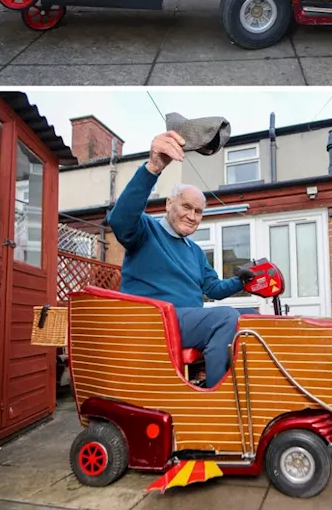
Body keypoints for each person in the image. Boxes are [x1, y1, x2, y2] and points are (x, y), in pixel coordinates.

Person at [107, 130, 253, 386]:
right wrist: (152, 168)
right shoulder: (144, 231)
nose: (193, 216)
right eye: (186, 207)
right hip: (153, 322)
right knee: (226, 318)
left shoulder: (194, 251)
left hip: (184, 323)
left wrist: (241, 280)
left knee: (248, 318)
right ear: (168, 204)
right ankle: (217, 397)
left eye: (198, 212)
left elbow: (213, 289)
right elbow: (119, 219)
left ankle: (238, 385)